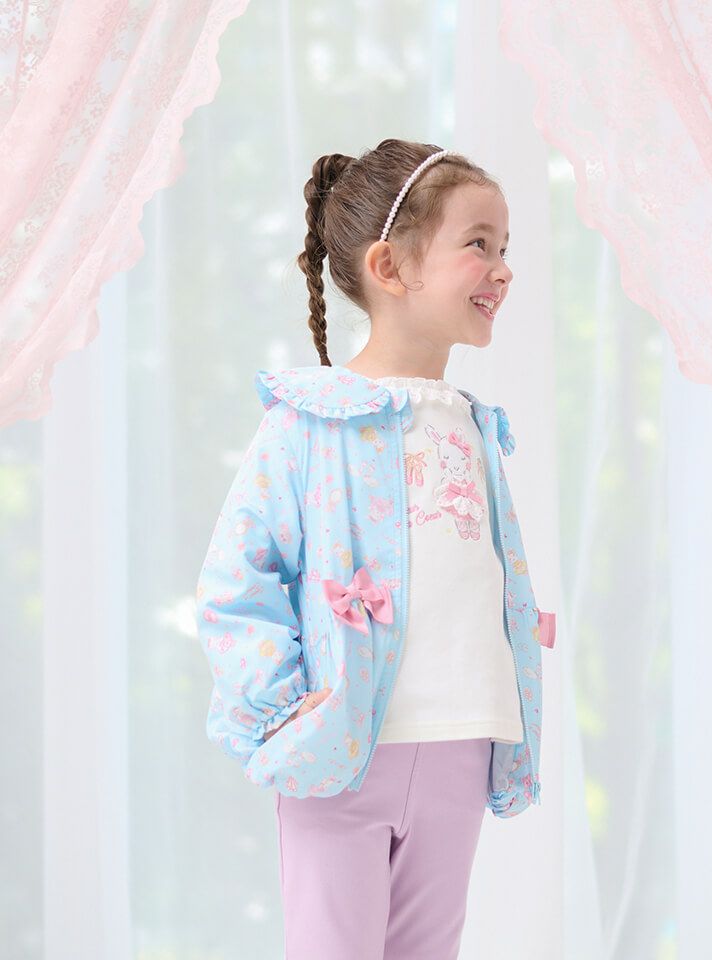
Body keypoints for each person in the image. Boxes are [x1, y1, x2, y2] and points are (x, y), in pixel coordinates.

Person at [195, 139, 556, 959]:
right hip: (341, 748)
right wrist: (280, 708)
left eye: (505, 248)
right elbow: (235, 580)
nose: (503, 270)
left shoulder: (473, 425)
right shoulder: (309, 422)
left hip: (463, 737)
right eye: (479, 244)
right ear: (391, 267)